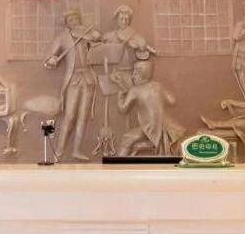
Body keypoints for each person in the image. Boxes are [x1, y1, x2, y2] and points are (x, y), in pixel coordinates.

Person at [44, 9, 103, 161]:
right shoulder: (63, 37)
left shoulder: (85, 33)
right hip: (74, 79)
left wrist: (88, 34)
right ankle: (59, 151)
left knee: (83, 116)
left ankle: (76, 150)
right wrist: (51, 59)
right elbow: (50, 55)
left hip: (88, 78)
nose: (74, 22)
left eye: (76, 19)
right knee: (70, 116)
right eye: (71, 21)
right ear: (67, 24)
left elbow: (98, 38)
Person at [116, 60, 184, 156]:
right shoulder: (158, 86)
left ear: (141, 74)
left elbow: (123, 109)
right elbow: (172, 101)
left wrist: (121, 94)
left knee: (127, 138)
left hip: (149, 127)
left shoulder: (135, 90)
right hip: (167, 127)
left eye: (135, 73)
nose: (132, 76)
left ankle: (119, 163)